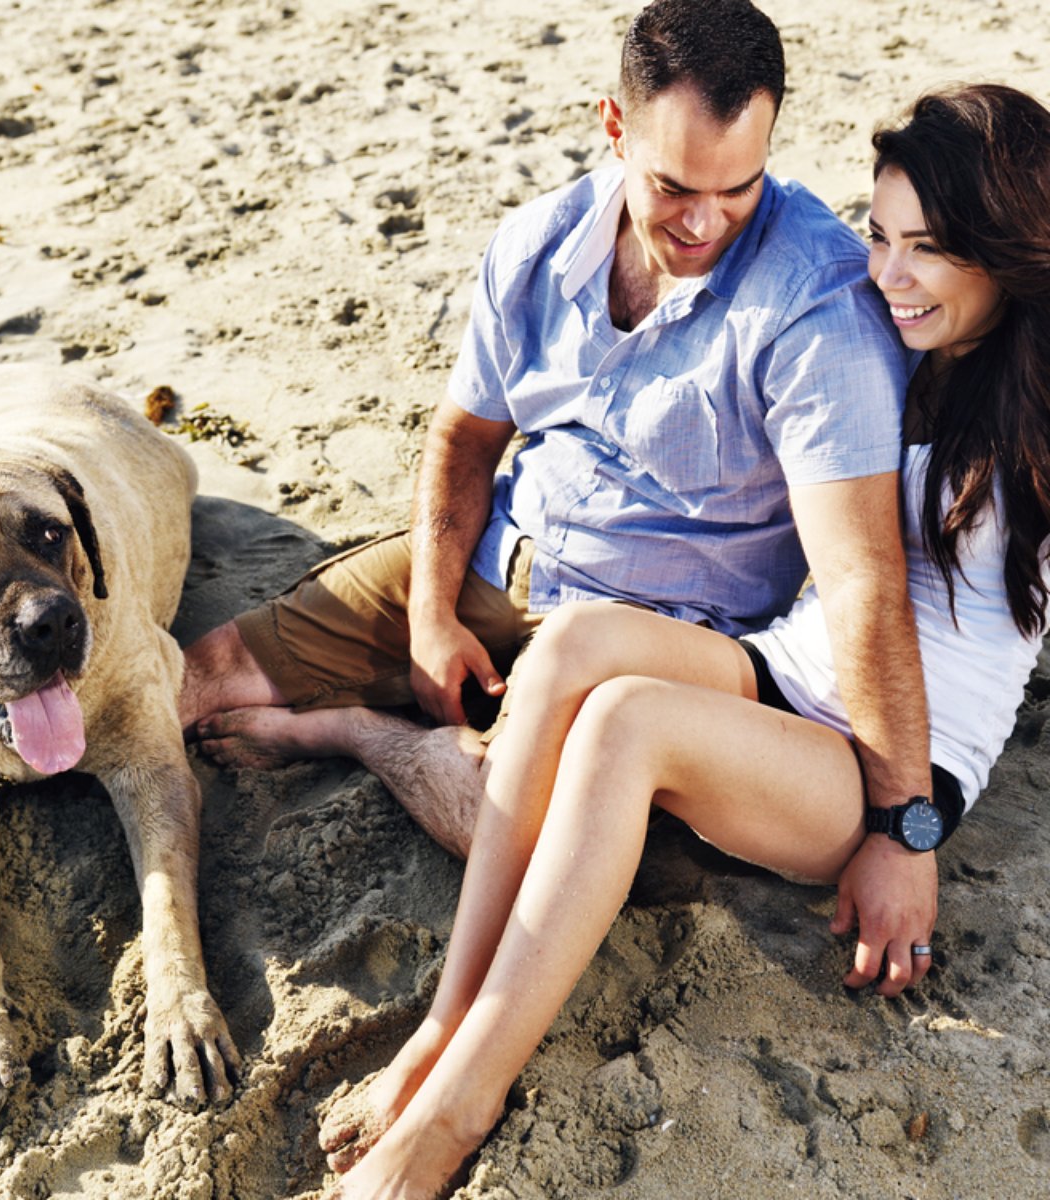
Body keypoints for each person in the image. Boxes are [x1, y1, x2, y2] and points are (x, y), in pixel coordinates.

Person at [316, 83, 1050, 1199]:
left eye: (930, 251)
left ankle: (455, 1116)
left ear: (1007, 250)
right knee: (572, 650)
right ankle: (445, 1026)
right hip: (793, 671)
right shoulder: (904, 349)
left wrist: (908, 832)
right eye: (881, 236)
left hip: (893, 766)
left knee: (627, 724)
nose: (888, 274)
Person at [181, 0, 928, 863]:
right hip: (502, 556)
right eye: (675, 187)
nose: (704, 224)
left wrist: (902, 832)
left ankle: (354, 733)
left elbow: (861, 580)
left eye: (738, 188)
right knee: (199, 677)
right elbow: (464, 439)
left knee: (505, 835)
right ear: (615, 126)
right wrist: (430, 617)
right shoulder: (535, 243)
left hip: (646, 640)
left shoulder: (819, 311)